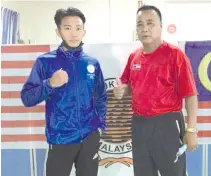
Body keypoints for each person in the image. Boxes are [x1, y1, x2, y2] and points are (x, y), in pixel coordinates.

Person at [113, 5, 198, 176]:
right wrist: (121, 90)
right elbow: (128, 85)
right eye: (140, 24)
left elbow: (190, 95)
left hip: (167, 124)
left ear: (161, 26)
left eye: (150, 23)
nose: (145, 29)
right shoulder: (134, 57)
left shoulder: (175, 55)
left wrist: (191, 130)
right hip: (139, 125)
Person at [21, 7, 107, 176]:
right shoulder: (44, 62)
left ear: (84, 31)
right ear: (58, 31)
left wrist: (100, 126)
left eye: (78, 28)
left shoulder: (92, 63)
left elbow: (101, 95)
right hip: (60, 139)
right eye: (67, 28)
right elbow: (27, 98)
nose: (74, 33)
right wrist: (50, 83)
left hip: (89, 136)